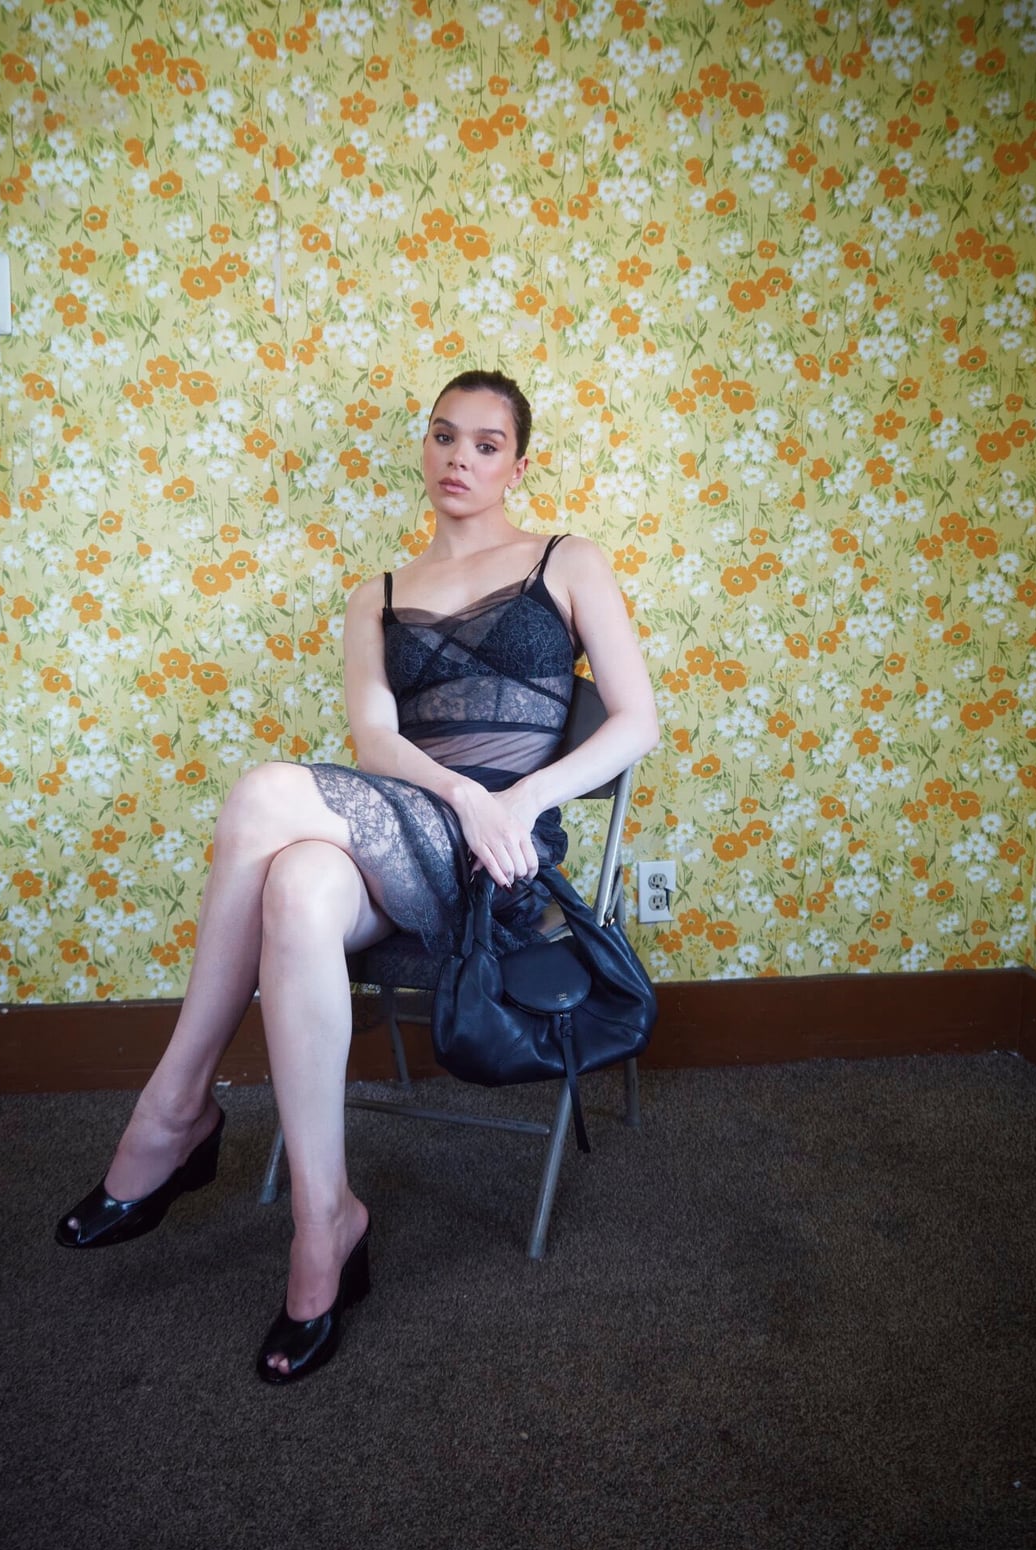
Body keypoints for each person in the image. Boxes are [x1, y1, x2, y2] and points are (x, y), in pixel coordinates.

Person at [55, 369, 659, 1384]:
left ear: (519, 465)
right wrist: (461, 795)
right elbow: (376, 743)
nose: (459, 458)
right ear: (424, 449)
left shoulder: (568, 559)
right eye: (444, 436)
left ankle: (173, 1110)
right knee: (296, 882)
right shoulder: (373, 595)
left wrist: (513, 802)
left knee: (262, 798)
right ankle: (324, 1222)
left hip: (501, 864)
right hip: (418, 828)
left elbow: (637, 722)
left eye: (486, 444)